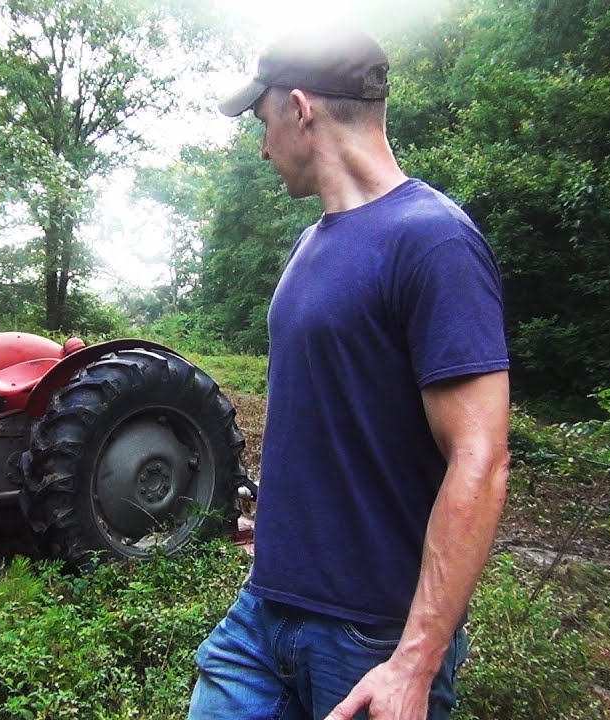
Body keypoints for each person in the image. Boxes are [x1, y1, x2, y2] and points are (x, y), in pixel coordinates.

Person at [187, 23, 511, 720]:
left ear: (301, 109)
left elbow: (481, 460)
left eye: (262, 120)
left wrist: (416, 661)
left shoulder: (435, 241)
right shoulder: (310, 245)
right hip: (265, 610)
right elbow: (330, 412)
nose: (262, 145)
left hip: (372, 636)